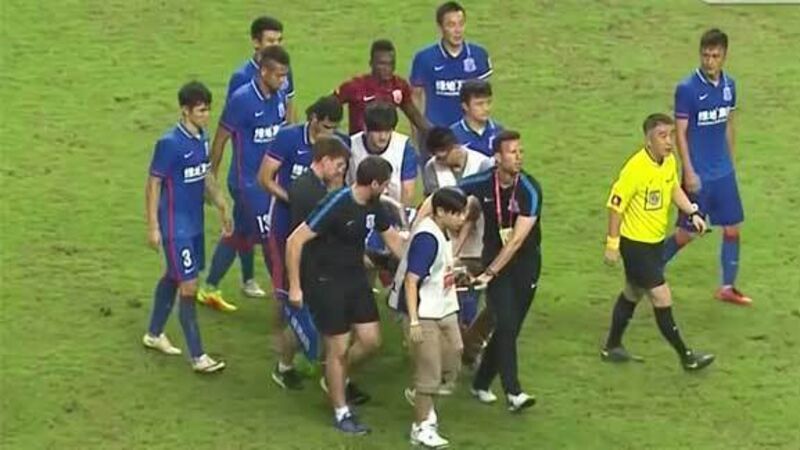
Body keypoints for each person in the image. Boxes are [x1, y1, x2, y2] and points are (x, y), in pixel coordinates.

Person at [286, 156, 407, 435]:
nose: (387, 188)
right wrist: (295, 286)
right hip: (326, 282)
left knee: (371, 341)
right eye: (385, 184)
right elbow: (294, 241)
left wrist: (419, 267)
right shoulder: (337, 203)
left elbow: (392, 240)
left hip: (355, 279)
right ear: (373, 183)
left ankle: (334, 377)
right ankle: (341, 412)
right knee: (338, 349)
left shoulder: (375, 205)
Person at [423, 130, 541, 412]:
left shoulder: (530, 189)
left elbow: (516, 240)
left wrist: (490, 272)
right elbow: (442, 197)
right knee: (507, 324)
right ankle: (514, 393)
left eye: (520, 151)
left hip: (525, 263)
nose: (519, 157)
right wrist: (421, 225)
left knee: (510, 327)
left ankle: (481, 382)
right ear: (497, 157)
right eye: (512, 152)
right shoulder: (483, 182)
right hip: (494, 261)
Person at [601, 113, 715, 372]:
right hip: (635, 245)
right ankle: (687, 357)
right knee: (661, 297)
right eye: (662, 136)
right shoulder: (635, 169)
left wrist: (692, 213)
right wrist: (612, 244)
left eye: (671, 135)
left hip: (654, 243)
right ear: (648, 140)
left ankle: (612, 346)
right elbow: (615, 206)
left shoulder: (668, 162)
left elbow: (673, 188)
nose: (669, 141)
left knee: (633, 292)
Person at [258, 96, 347, 389]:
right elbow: (265, 178)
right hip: (284, 223)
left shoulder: (337, 147)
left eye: (334, 128)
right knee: (284, 288)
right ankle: (278, 340)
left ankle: (306, 348)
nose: (329, 133)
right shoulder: (288, 138)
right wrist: (293, 199)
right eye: (325, 126)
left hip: (317, 226)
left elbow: (340, 187)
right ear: (313, 119)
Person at [204, 16, 296, 300]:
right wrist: (211, 180)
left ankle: (210, 287)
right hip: (247, 180)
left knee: (241, 232)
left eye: (279, 39)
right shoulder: (242, 92)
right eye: (270, 39)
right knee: (269, 236)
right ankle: (284, 294)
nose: (283, 81)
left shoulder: (280, 86)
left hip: (270, 176)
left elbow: (287, 120)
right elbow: (222, 136)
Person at [142, 81, 230, 373]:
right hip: (174, 225)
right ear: (185, 111)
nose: (206, 115)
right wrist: (153, 226)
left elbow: (205, 174)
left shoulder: (202, 138)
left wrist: (221, 202)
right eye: (201, 110)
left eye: (208, 110)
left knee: (174, 275)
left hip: (194, 224)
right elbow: (153, 183)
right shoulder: (169, 143)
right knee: (189, 286)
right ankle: (198, 356)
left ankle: (154, 333)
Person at [663, 28, 751, 306]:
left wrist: (730, 161)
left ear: (724, 56)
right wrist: (688, 170)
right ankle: (649, 270)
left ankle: (727, 287)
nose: (709, 61)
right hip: (698, 174)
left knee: (732, 228)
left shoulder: (729, 86)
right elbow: (680, 133)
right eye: (705, 55)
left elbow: (729, 124)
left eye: (715, 56)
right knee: (687, 233)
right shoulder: (687, 89)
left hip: (723, 173)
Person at [394, 188, 467, 448]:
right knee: (430, 373)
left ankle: (421, 395)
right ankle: (421, 427)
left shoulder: (443, 232)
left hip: (445, 307)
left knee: (455, 354)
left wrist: (456, 272)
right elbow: (411, 281)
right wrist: (414, 321)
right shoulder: (427, 238)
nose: (462, 219)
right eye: (457, 214)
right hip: (425, 313)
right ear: (440, 212)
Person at [418, 127, 493, 361]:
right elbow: (434, 207)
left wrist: (455, 249)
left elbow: (474, 211)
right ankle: (461, 350)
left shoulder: (483, 164)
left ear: (455, 146)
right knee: (452, 301)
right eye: (436, 156)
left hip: (480, 244)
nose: (439, 160)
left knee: (483, 300)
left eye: (443, 155)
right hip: (449, 245)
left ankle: (469, 345)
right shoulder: (431, 168)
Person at [410, 1, 492, 140]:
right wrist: (417, 136)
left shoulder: (479, 55)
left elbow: (484, 99)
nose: (457, 30)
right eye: (451, 25)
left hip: (469, 135)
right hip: (436, 136)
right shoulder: (424, 58)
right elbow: (416, 99)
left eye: (461, 24)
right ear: (440, 27)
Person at [335, 39, 427, 135]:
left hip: (388, 141)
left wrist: (433, 133)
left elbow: (414, 116)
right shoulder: (355, 86)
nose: (387, 68)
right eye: (382, 64)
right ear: (371, 63)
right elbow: (330, 107)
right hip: (360, 142)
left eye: (391, 63)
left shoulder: (399, 85)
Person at [450, 79, 502, 157]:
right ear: (465, 106)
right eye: (479, 104)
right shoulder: (453, 135)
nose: (486, 108)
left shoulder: (499, 131)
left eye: (488, 102)